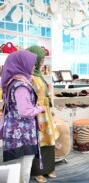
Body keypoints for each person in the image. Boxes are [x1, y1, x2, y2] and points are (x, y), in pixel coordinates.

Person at [1, 50, 44, 183]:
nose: (33, 67)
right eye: (31, 63)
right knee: (23, 167)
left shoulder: (13, 82)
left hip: (15, 131)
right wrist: (40, 108)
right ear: (22, 64)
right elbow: (25, 111)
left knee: (16, 168)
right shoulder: (21, 85)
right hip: (22, 133)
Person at [26, 46, 59, 183]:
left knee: (49, 140)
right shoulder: (29, 76)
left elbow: (44, 93)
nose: (43, 61)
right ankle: (37, 171)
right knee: (38, 142)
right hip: (37, 114)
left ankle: (49, 167)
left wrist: (49, 107)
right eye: (42, 58)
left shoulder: (39, 74)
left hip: (45, 113)